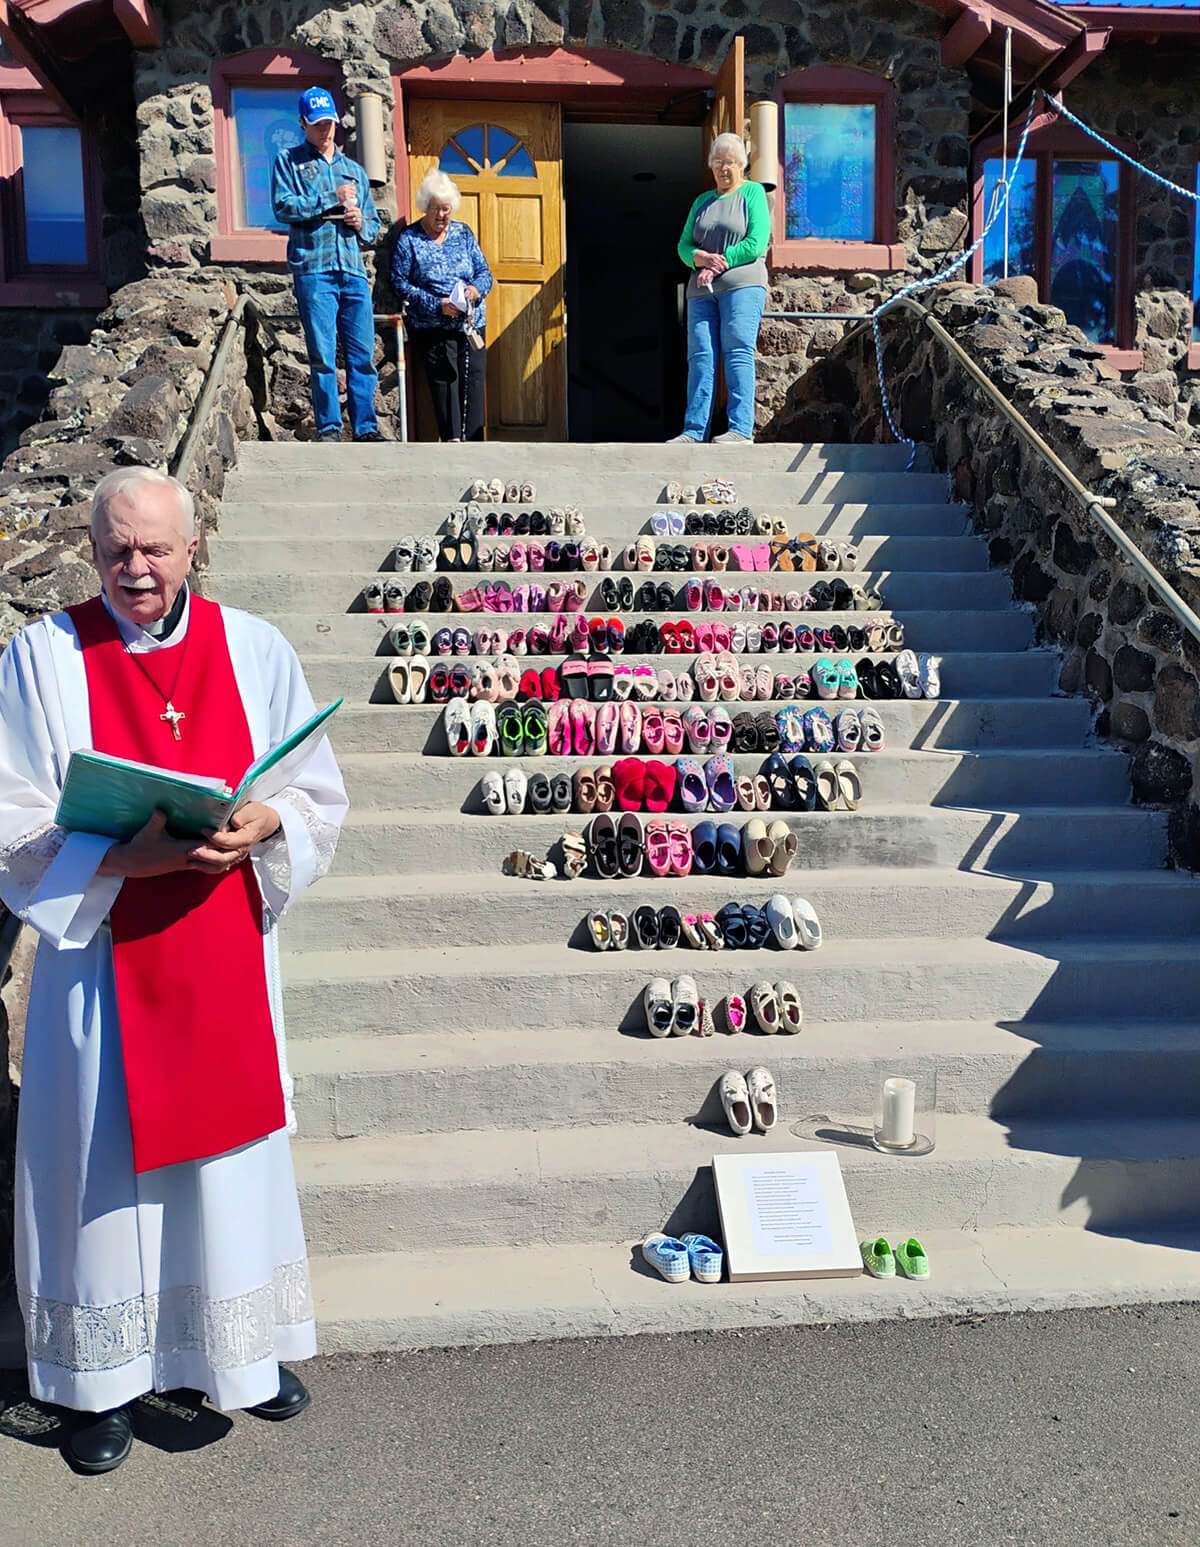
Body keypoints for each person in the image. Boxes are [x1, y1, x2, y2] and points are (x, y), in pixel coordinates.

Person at [0, 466, 348, 1474]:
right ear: (93, 551)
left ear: (193, 547)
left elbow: (315, 789)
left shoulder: (254, 646)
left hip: (224, 950)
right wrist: (123, 856)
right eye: (117, 549)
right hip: (104, 967)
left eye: (155, 547)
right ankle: (96, 1385)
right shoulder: (44, 655)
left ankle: (237, 1352)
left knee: (227, 1168)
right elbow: (12, 817)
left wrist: (268, 817)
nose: (135, 566)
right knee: (99, 1176)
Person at [271, 86, 383, 443]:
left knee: (362, 353)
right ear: (303, 123)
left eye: (330, 123)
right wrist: (326, 200)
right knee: (322, 354)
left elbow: (374, 227)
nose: (326, 130)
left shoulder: (354, 171)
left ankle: (366, 428)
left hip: (352, 270)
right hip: (313, 269)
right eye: (318, 124)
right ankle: (330, 428)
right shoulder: (288, 162)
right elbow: (283, 207)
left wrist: (360, 223)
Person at [672, 131, 770, 445]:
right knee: (700, 356)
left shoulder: (753, 193)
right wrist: (698, 257)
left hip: (742, 286)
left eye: (729, 162)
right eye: (717, 162)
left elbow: (756, 243)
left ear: (740, 164)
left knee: (738, 351)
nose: (722, 168)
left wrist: (716, 263)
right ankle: (693, 431)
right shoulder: (702, 201)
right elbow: (683, 246)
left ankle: (740, 430)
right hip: (701, 292)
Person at [390, 170, 494, 442]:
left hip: (469, 325)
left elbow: (484, 273)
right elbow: (399, 283)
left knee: (473, 384)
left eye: (446, 209)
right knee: (445, 385)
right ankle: (451, 442)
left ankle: (473, 443)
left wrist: (474, 291)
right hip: (434, 326)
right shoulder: (410, 239)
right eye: (435, 209)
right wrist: (438, 305)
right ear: (425, 207)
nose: (441, 216)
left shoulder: (463, 233)